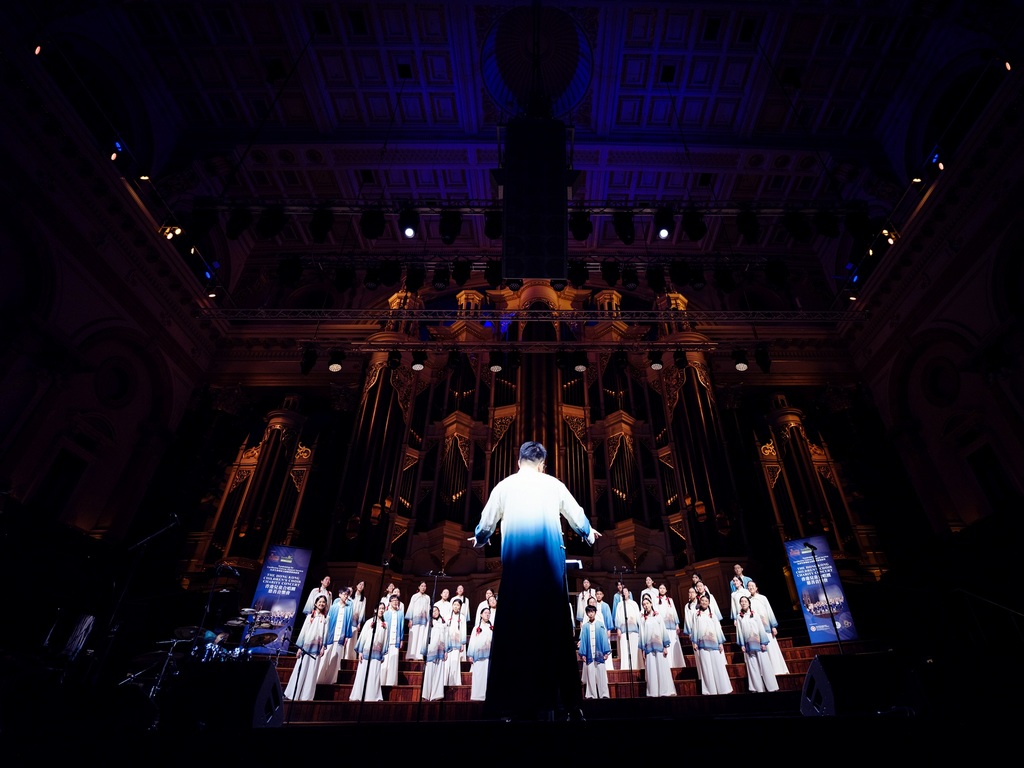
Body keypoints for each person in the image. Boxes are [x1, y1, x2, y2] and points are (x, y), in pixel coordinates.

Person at [469, 441, 601, 721]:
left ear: (518, 462)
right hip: (549, 575)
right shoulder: (554, 485)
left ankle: (506, 705)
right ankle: (568, 705)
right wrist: (588, 533)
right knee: (555, 633)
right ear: (542, 464)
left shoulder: (503, 487)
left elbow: (485, 524)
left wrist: (480, 538)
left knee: (513, 634)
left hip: (517, 575)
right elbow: (577, 516)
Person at [284, 594, 328, 701]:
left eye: (323, 602)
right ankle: (293, 694)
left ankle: (306, 696)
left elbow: (325, 633)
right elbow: (303, 633)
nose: (321, 603)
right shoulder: (310, 616)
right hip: (306, 647)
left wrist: (323, 647)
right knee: (301, 669)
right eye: (320, 601)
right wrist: (299, 648)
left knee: (312, 672)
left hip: (317, 648)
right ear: (315, 603)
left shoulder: (326, 618)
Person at [735, 595, 779, 693]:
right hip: (748, 645)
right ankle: (758, 688)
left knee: (765, 665)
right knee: (753, 666)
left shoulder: (755, 614)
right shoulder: (739, 616)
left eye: (745, 601)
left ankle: (772, 687)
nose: (743, 603)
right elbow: (739, 632)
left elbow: (761, 629)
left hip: (759, 643)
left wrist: (763, 642)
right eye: (741, 602)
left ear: (749, 603)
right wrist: (742, 644)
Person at [691, 594, 732, 695]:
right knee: (706, 667)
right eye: (702, 600)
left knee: (718, 666)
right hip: (702, 644)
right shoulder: (696, 614)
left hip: (714, 643)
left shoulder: (713, 615)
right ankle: (710, 691)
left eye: (706, 601)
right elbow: (694, 629)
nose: (704, 602)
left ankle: (723, 689)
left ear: (709, 602)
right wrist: (695, 642)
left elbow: (718, 629)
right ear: (700, 602)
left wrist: (720, 643)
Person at [747, 580, 790, 675]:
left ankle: (777, 670)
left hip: (766, 627)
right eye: (749, 586)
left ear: (756, 587)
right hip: (756, 630)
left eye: (752, 586)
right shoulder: (748, 600)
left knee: (772, 649)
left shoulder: (762, 598)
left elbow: (769, 612)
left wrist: (773, 626)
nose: (751, 587)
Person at [350, 602, 388, 701]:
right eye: (379, 608)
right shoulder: (369, 622)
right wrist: (360, 652)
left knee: (374, 674)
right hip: (367, 651)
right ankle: (358, 695)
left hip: (377, 652)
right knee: (363, 673)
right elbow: (363, 637)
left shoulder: (385, 624)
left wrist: (382, 654)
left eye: (383, 608)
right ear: (375, 610)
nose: (381, 610)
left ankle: (372, 696)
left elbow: (385, 640)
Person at [639, 594, 675, 697]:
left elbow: (663, 631)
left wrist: (665, 646)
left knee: (662, 668)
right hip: (649, 648)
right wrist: (643, 650)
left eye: (647, 603)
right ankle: (653, 692)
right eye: (644, 604)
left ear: (651, 603)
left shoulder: (658, 616)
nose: (646, 605)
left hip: (659, 646)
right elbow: (642, 635)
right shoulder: (643, 619)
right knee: (651, 670)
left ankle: (664, 691)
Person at [317, 588, 354, 685]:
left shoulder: (349, 609)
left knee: (336, 658)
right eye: (344, 594)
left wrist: (347, 636)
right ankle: (319, 678)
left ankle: (331, 680)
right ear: (340, 595)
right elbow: (328, 621)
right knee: (326, 656)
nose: (346, 596)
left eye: (347, 595)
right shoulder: (333, 607)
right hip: (331, 634)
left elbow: (349, 623)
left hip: (341, 636)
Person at [577, 604, 611, 699]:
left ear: (595, 613)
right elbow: (583, 640)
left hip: (599, 652)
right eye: (589, 612)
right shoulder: (585, 626)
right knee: (590, 674)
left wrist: (605, 652)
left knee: (601, 674)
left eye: (592, 612)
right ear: (587, 614)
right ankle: (591, 694)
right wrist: (583, 653)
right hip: (589, 653)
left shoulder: (600, 624)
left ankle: (604, 694)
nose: (590, 614)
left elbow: (604, 638)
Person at [421, 606, 448, 701]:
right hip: (431, 650)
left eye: (436, 610)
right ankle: (426, 694)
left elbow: (447, 638)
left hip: (441, 650)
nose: (435, 612)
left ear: (439, 611)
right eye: (433, 611)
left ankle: (437, 694)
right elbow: (425, 638)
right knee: (429, 672)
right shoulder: (429, 624)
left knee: (439, 671)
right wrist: (424, 651)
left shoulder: (444, 624)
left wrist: (446, 651)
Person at [656, 583, 686, 669]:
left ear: (666, 590)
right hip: (663, 627)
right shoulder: (656, 600)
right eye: (660, 588)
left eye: (663, 588)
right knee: (667, 645)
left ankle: (676, 663)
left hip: (672, 626)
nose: (662, 589)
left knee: (673, 644)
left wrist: (677, 625)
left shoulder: (670, 600)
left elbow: (674, 613)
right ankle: (668, 664)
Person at [467, 607, 493, 701]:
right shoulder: (476, 628)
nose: (487, 614)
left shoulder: (491, 628)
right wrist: (470, 655)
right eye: (485, 612)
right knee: (478, 674)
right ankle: (477, 695)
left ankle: (486, 695)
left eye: (489, 613)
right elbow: (472, 642)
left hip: (488, 656)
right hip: (478, 655)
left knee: (487, 675)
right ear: (481, 615)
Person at [614, 586, 641, 673]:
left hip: (633, 630)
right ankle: (626, 667)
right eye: (623, 592)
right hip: (623, 631)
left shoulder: (634, 603)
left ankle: (637, 665)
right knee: (625, 649)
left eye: (626, 592)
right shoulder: (619, 605)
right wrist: (618, 628)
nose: (624, 593)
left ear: (629, 593)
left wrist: (640, 627)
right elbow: (617, 617)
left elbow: (638, 617)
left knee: (634, 648)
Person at [381, 593, 405, 686]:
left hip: (396, 640)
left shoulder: (400, 613)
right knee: (385, 661)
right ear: (390, 602)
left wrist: (401, 639)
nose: (395, 602)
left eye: (397, 601)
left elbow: (402, 627)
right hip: (387, 640)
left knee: (393, 661)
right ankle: (382, 681)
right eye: (393, 601)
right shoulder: (386, 614)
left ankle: (391, 682)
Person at [406, 581, 431, 660]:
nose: (423, 587)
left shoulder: (427, 597)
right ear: (419, 587)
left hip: (423, 621)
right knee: (413, 638)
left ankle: (419, 655)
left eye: (425, 586)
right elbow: (411, 608)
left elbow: (428, 609)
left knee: (421, 637)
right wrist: (410, 620)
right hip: (415, 620)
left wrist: (428, 620)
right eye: (422, 586)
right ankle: (411, 654)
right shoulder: (414, 596)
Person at [445, 597, 468, 685]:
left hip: (457, 643)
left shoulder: (462, 617)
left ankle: (454, 683)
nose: (455, 606)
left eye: (458, 605)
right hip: (448, 643)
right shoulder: (447, 616)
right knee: (447, 664)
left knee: (455, 662)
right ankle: (445, 682)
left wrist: (462, 643)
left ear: (460, 607)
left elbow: (463, 630)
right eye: (454, 605)